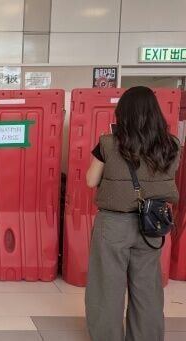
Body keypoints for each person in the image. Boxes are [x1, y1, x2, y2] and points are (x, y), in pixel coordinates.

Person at [85, 86, 181, 341]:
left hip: (114, 223)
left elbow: (90, 180)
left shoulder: (108, 142)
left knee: (107, 287)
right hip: (153, 222)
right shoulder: (171, 145)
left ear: (123, 113)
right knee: (147, 288)